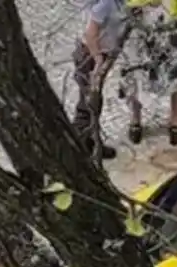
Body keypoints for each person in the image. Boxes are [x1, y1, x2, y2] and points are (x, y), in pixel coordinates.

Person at [117, 0, 177, 147]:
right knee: (134, 68)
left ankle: (176, 119)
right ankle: (135, 118)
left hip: (172, 11)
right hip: (137, 13)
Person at [74, 0, 125, 160]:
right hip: (90, 55)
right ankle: (83, 144)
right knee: (89, 101)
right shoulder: (107, 3)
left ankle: (88, 141)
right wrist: (97, 59)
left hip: (102, 54)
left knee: (93, 99)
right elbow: (90, 33)